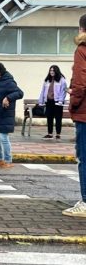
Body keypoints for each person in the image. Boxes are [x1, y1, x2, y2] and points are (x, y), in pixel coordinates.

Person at [65, 14, 86, 218]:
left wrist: (74, 101)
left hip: (85, 114)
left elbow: (80, 83)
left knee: (84, 158)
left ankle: (85, 202)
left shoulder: (82, 49)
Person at [38, 65, 68, 139]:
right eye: (50, 70)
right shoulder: (47, 80)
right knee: (49, 118)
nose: (51, 72)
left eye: (53, 70)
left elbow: (63, 91)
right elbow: (43, 91)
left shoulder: (62, 80)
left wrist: (61, 101)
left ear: (56, 71)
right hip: (49, 101)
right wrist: (41, 101)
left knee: (58, 118)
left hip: (57, 102)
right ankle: (50, 133)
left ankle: (58, 134)